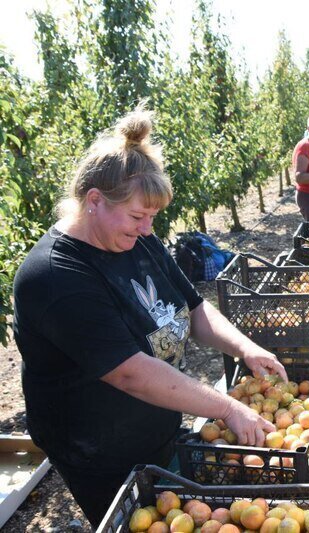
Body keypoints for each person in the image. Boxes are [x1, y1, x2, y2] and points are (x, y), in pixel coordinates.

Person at [12, 107, 288, 528]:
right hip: (97, 447)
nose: (146, 230)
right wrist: (228, 408)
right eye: (138, 216)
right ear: (94, 201)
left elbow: (194, 308)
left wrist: (246, 348)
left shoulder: (137, 238)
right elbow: (130, 374)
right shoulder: (54, 276)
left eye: (152, 218)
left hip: (154, 421)